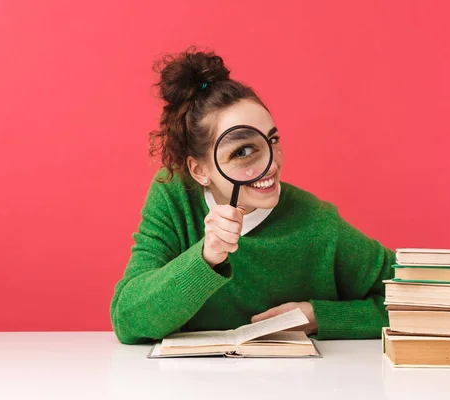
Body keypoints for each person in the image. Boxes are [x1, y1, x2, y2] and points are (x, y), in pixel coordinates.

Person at [110, 48, 395, 345]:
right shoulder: (174, 196)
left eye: (272, 140)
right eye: (243, 151)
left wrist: (319, 317)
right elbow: (127, 320)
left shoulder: (317, 222)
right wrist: (207, 257)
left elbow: (415, 298)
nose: (271, 165)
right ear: (199, 170)